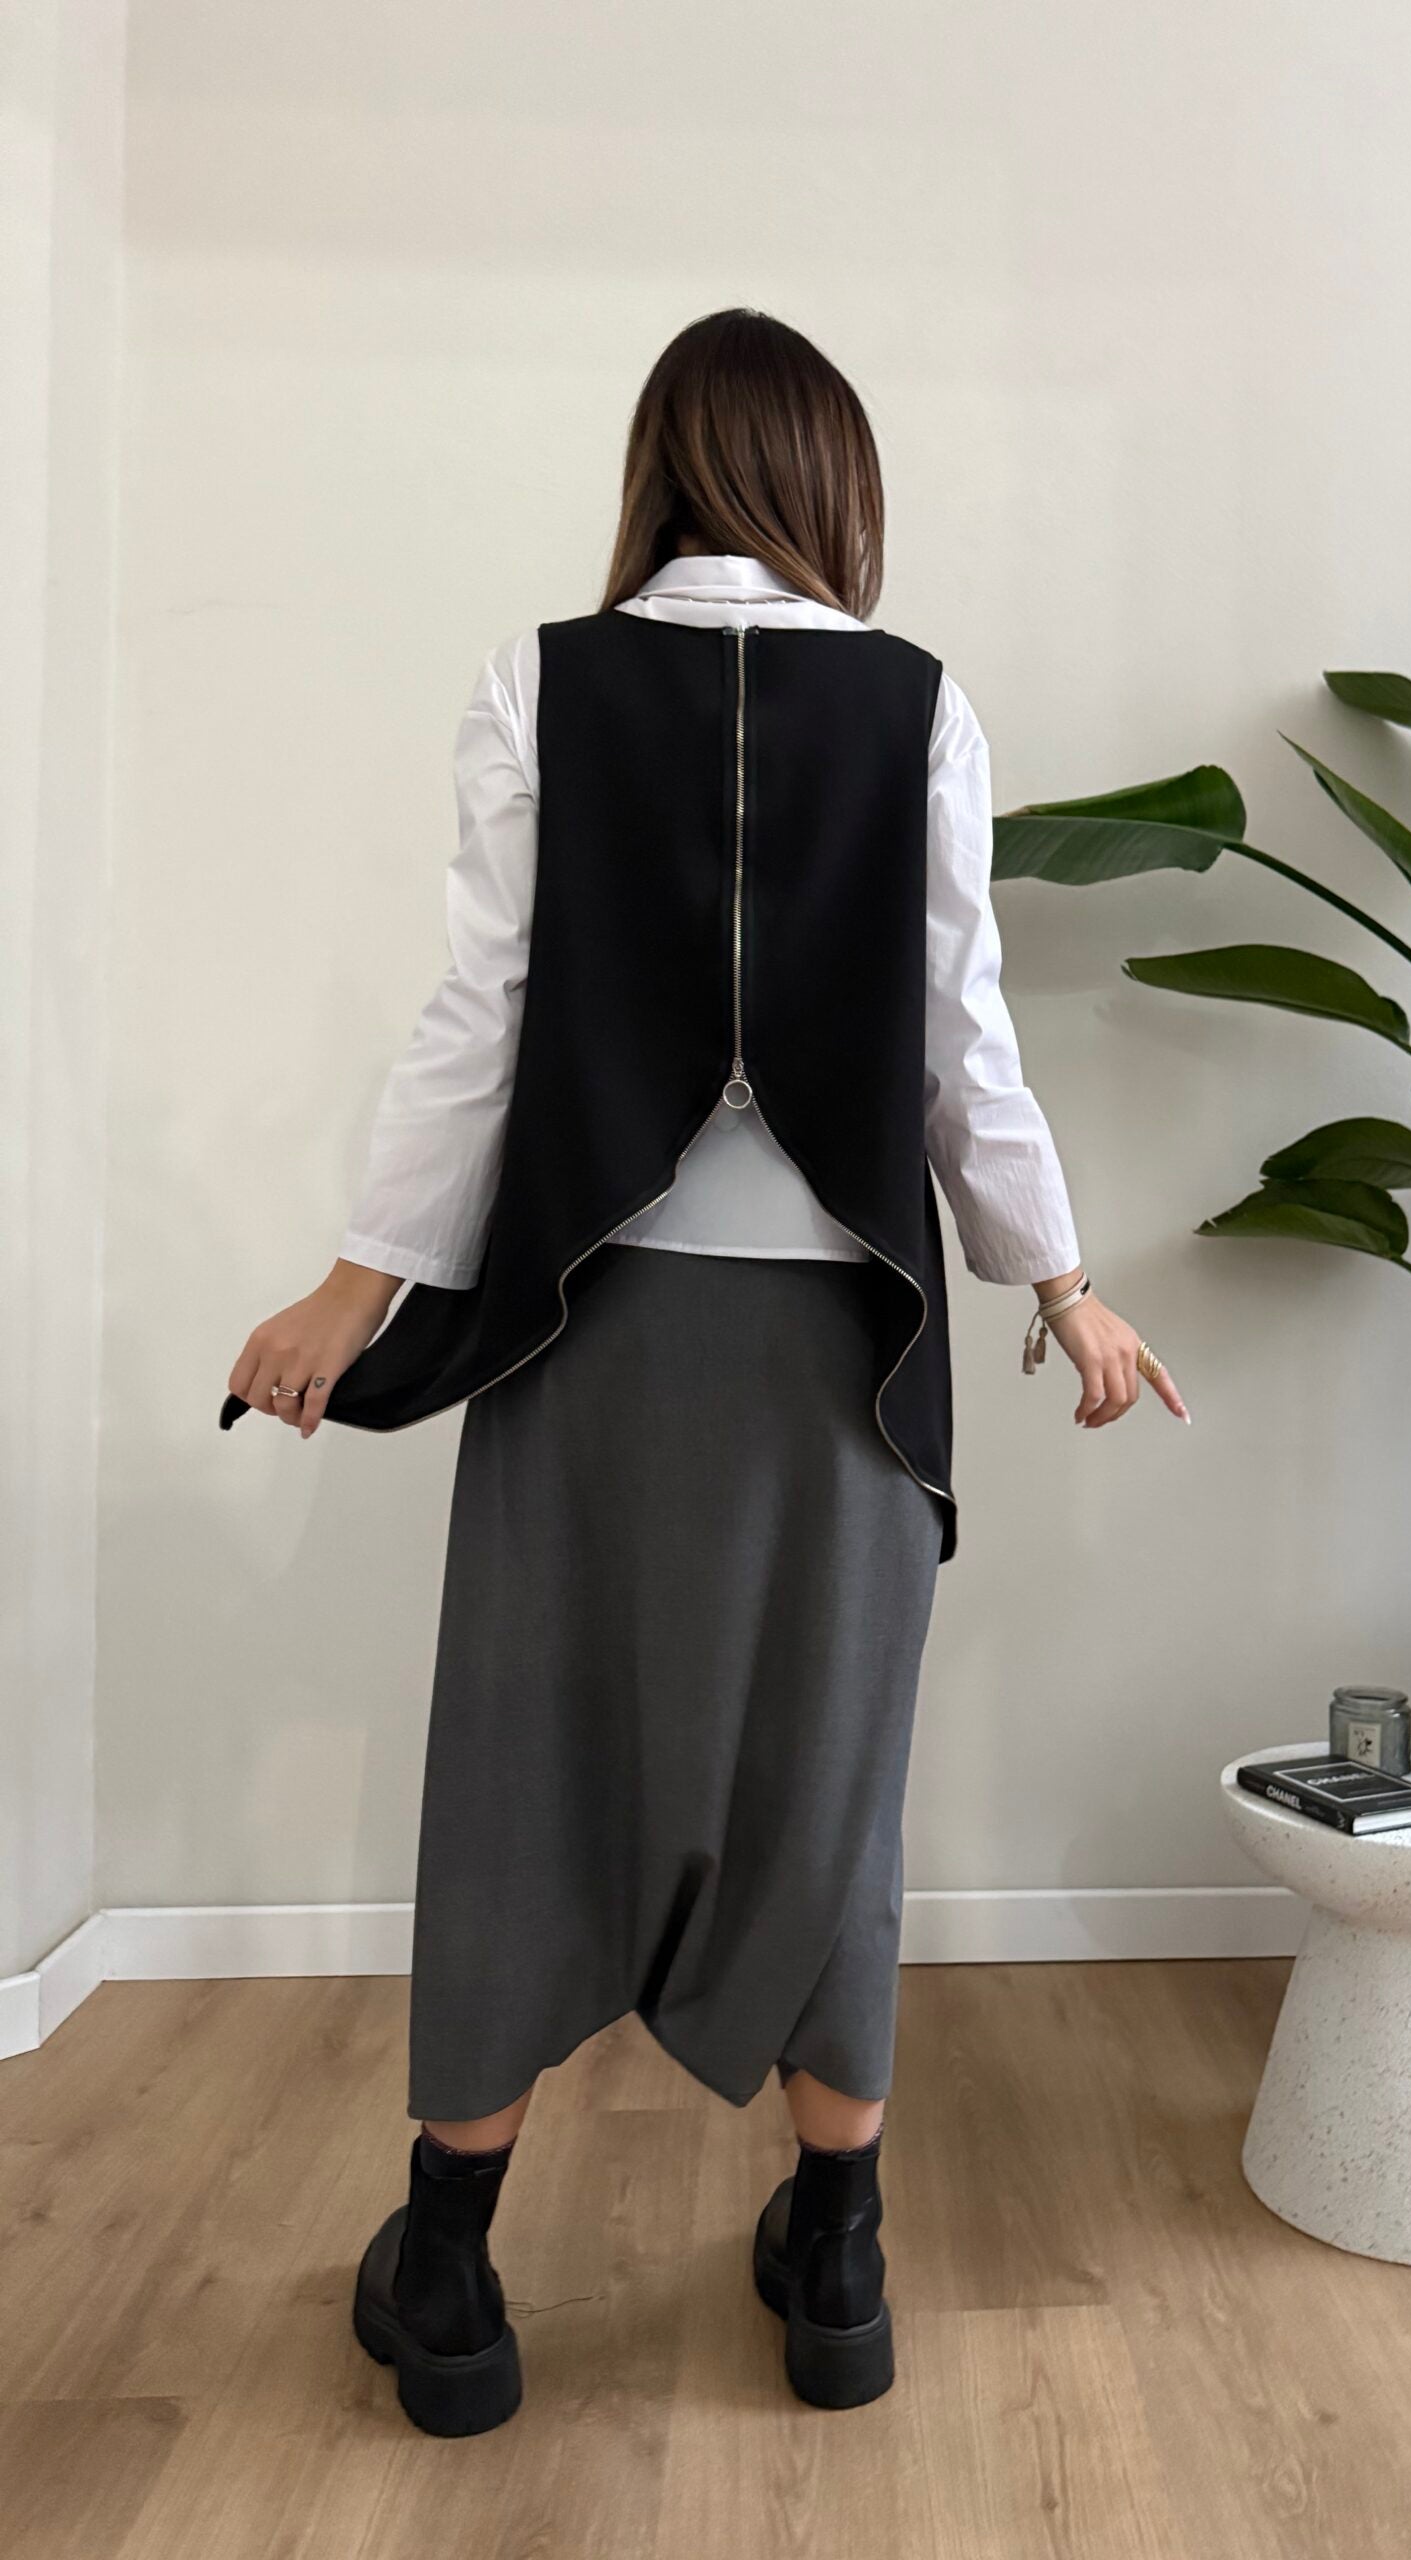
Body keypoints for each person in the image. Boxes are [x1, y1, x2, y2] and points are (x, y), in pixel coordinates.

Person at [226, 306, 1187, 2439]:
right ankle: (836, 2252)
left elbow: (479, 1025)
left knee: (525, 1764)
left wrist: (352, 1291)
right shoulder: (918, 703)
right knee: (825, 1784)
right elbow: (964, 1050)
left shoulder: (541, 680)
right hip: (846, 1350)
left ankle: (450, 2275)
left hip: (588, 1329)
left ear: (660, 468)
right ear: (832, 482)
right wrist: (1065, 1285)